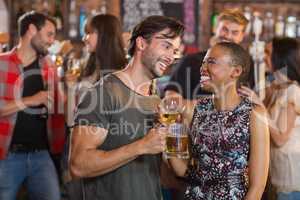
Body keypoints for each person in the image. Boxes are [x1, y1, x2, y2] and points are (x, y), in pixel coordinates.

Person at [69, 15, 184, 200]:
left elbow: (159, 176)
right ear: (141, 43)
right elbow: (78, 165)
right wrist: (141, 146)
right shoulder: (103, 93)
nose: (171, 56)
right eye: (166, 46)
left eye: (175, 51)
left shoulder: (156, 102)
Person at [168, 42, 270, 199]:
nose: (202, 68)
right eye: (203, 62)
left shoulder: (254, 114)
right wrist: (170, 130)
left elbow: (257, 186)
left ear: (236, 71)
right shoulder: (194, 110)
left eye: (211, 62)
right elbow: (182, 170)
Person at [62, 14, 128, 200]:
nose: (84, 38)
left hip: (107, 148)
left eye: (89, 33)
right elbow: (71, 119)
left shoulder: (123, 71)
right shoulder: (87, 68)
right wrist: (70, 89)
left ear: (105, 35)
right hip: (76, 144)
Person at [0, 11, 61, 200]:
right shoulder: (1, 63)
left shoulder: (49, 65)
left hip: (41, 155)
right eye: (49, 34)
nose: (52, 41)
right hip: (8, 156)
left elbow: (59, 108)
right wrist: (31, 100)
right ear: (32, 30)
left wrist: (67, 91)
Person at [240, 37, 300, 200]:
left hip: (291, 179)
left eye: (267, 52)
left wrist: (259, 105)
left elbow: (280, 138)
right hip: (276, 175)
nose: (262, 56)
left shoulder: (293, 91)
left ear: (280, 57)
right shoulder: (276, 86)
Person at [165, 9, 251, 100]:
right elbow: (171, 97)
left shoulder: (249, 64)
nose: (228, 36)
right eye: (224, 29)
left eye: (235, 32)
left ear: (242, 36)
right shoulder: (190, 61)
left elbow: (253, 99)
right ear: (215, 28)